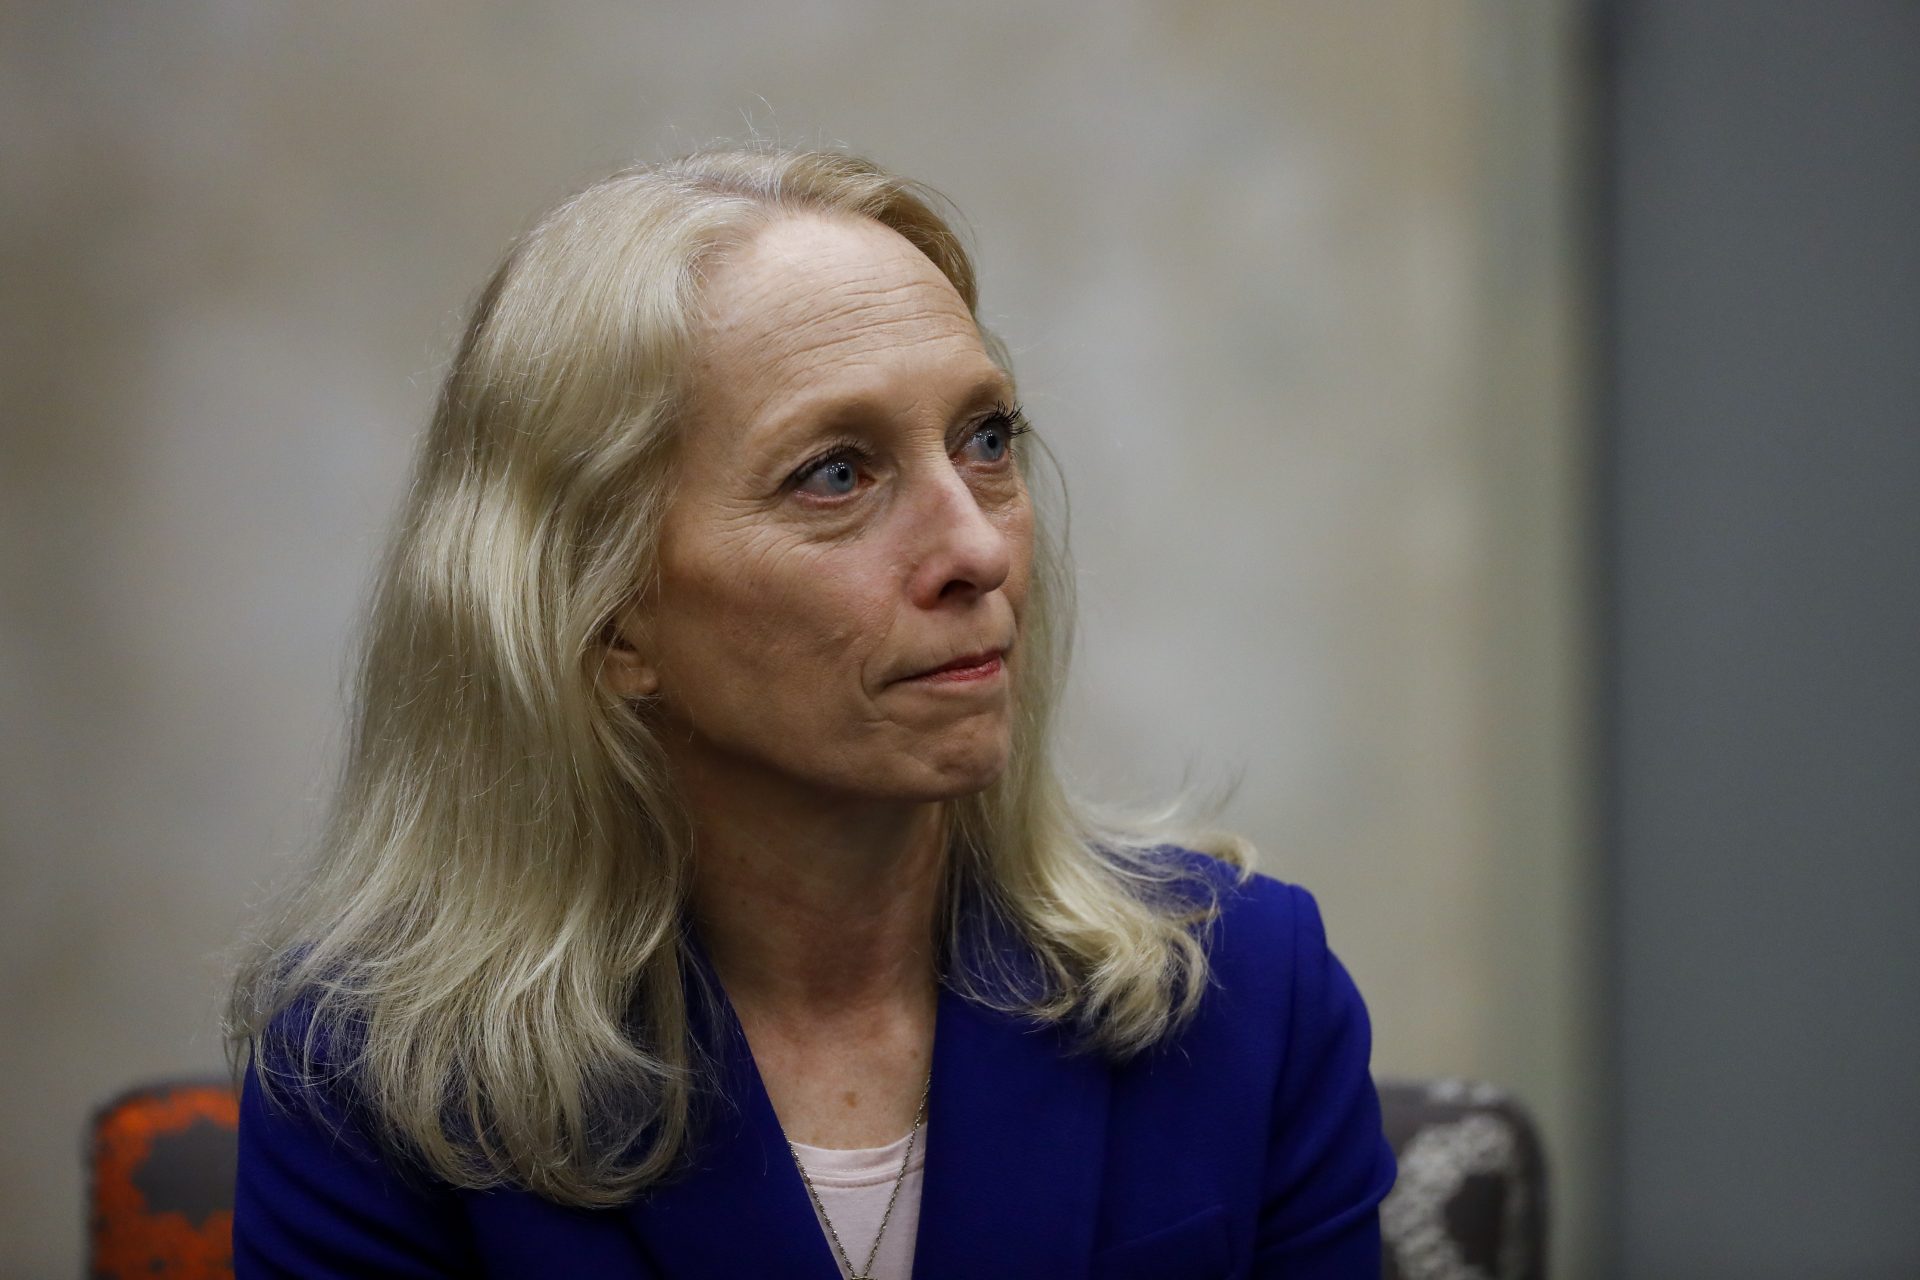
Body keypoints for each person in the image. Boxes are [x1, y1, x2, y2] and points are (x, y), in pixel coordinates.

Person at [226, 145, 1396, 1279]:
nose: (979, 546)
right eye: (837, 473)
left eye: (985, 441)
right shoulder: (378, 1077)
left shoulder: (1247, 989)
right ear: (609, 619)